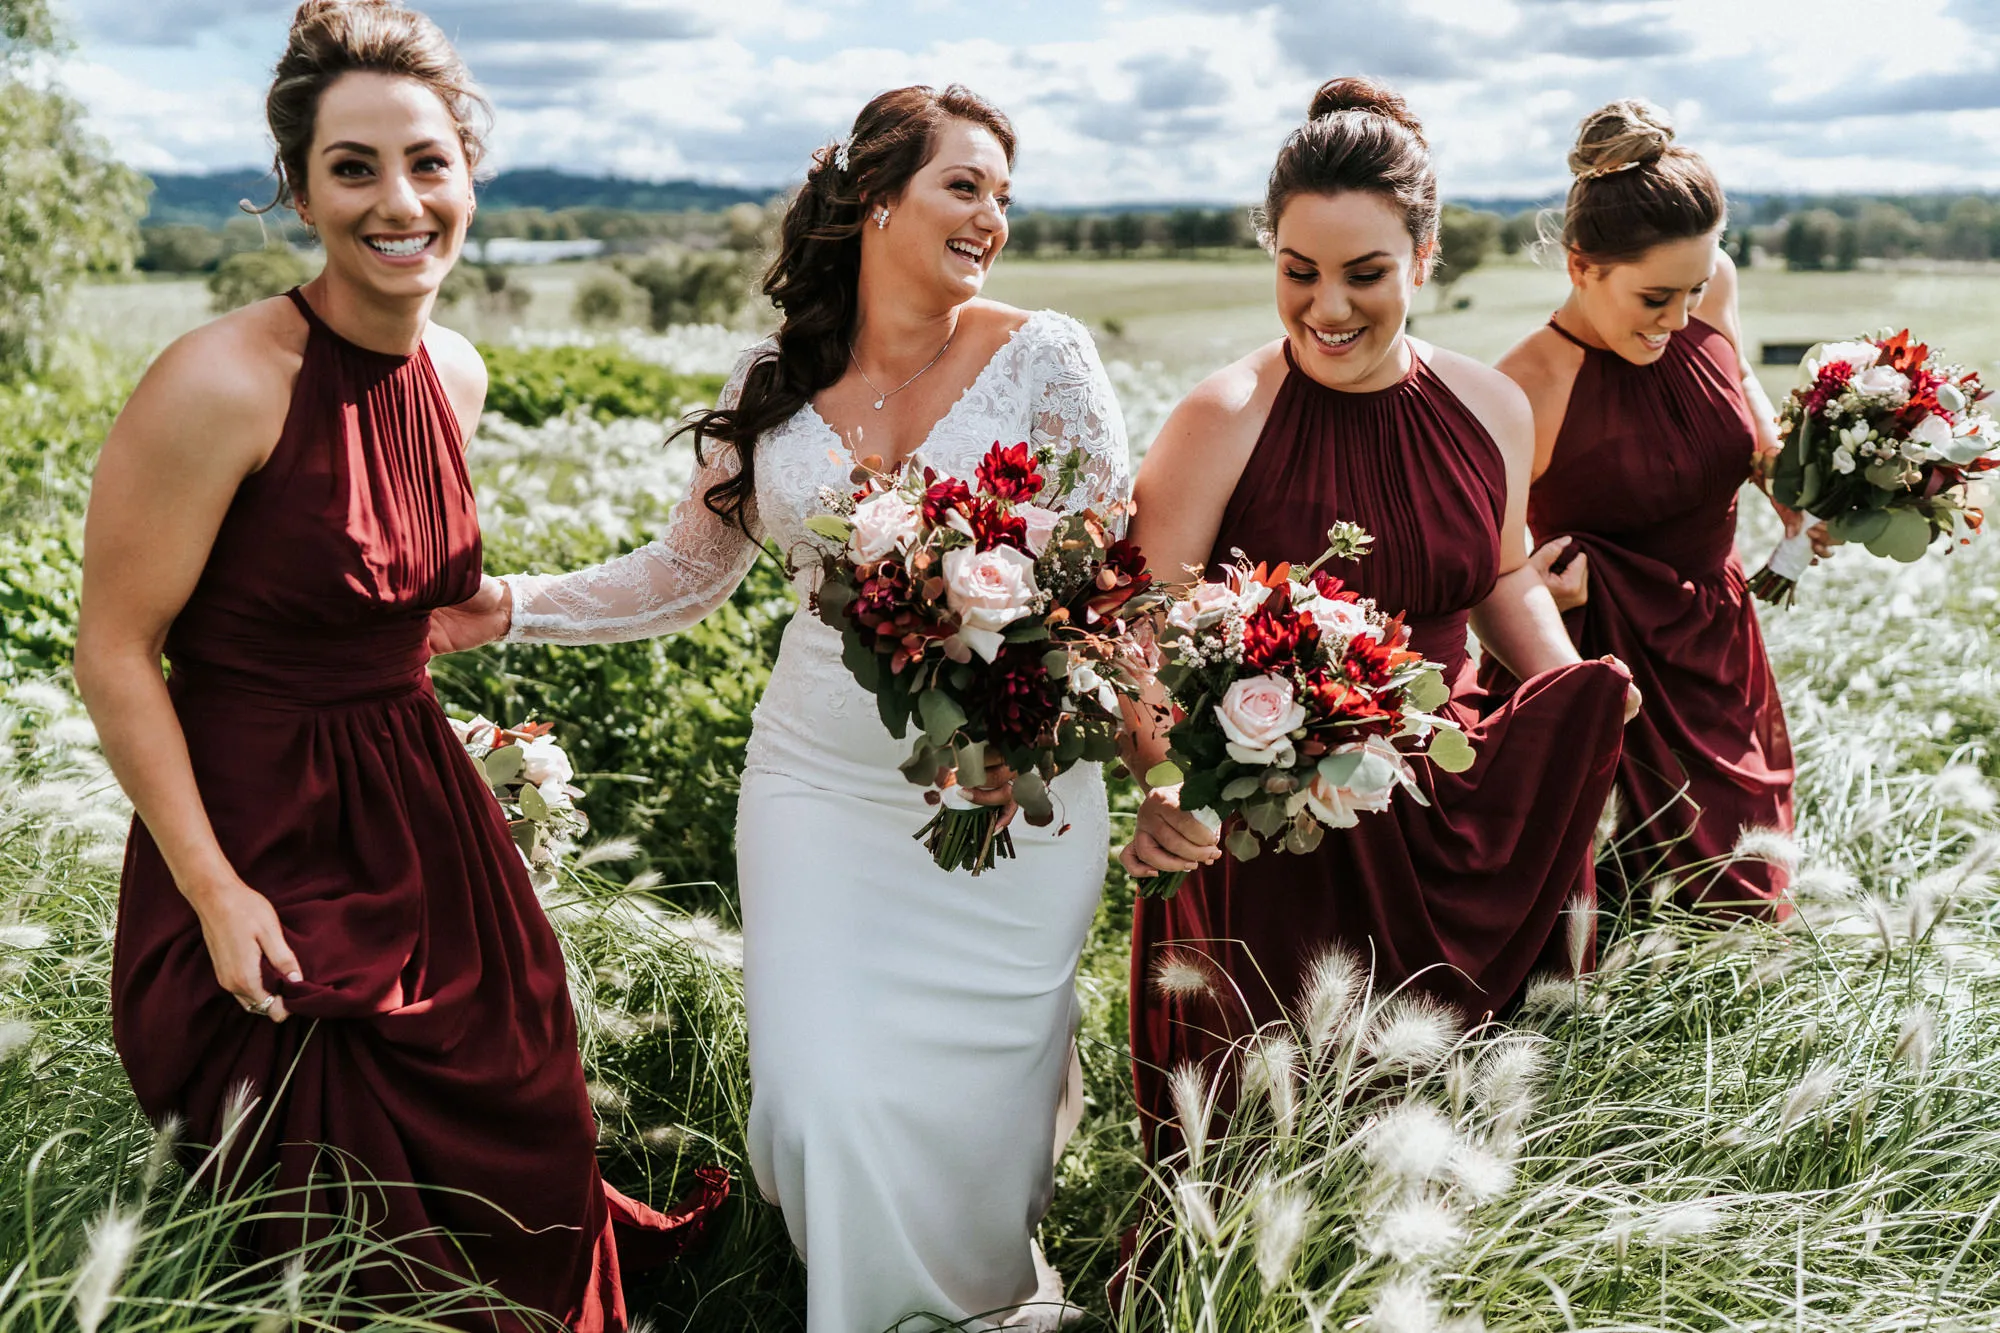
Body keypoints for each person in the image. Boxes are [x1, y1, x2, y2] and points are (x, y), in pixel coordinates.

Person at [432, 85, 1125, 1332]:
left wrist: (1128, 743)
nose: (991, 218)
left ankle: (984, 1307)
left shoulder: (1045, 357)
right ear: (873, 202)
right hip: (817, 785)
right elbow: (685, 571)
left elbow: (1112, 578)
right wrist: (508, 604)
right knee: (820, 1100)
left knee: (978, 1111)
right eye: (963, 186)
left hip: (1008, 795)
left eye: (1003, 196)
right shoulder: (778, 377)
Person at [76, 4, 719, 1328]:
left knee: (531, 1134)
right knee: (341, 1231)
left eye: (428, 161)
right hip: (260, 838)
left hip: (423, 822)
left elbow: (360, 567)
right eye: (353, 166)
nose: (398, 200)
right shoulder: (217, 382)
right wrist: (214, 892)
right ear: (299, 190)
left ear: (470, 172)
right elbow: (117, 650)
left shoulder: (461, 374)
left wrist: (462, 600)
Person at [1117, 76, 1635, 1161]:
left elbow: (1494, 574)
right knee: (1263, 1145)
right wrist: (1165, 782)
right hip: (1267, 839)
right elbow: (1142, 633)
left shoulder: (1488, 407)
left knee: (1443, 1141)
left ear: (1423, 261)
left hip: (1445, 809)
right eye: (1296, 272)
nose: (1326, 307)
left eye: (1365, 274)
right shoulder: (1222, 416)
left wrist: (1567, 685)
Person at [1477, 100, 1801, 917]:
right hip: (1605, 651)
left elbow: (1737, 379)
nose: (1680, 318)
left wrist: (1783, 471)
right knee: (1618, 898)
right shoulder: (1523, 388)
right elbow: (1486, 560)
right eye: (1656, 297)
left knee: (1750, 892)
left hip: (1716, 630)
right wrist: (1537, 592)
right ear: (1581, 266)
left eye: (1696, 288)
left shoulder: (1706, 288)